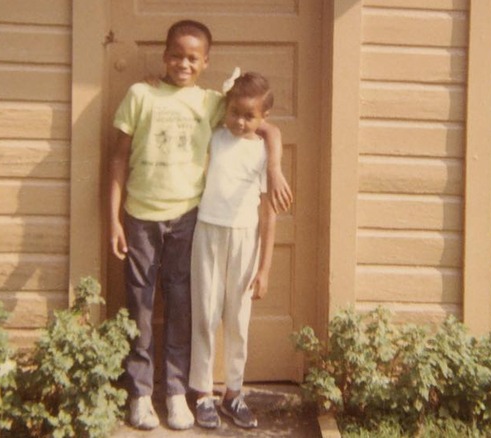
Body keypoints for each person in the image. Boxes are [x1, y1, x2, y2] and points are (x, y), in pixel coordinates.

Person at [109, 20, 290, 431]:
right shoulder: (141, 94)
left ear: (206, 62)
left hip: (188, 218)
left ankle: (177, 392)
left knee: (182, 307)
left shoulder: (214, 104)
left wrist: (276, 167)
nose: (183, 63)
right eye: (175, 55)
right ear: (164, 55)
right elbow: (118, 157)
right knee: (141, 305)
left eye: (193, 58)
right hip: (143, 216)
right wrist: (113, 219)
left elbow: (266, 124)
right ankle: (140, 393)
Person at [188, 71, 278, 430]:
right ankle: (202, 393)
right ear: (226, 108)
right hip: (208, 231)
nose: (240, 122)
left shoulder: (262, 151)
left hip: (245, 238)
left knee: (238, 319)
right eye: (235, 113)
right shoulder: (213, 139)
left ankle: (233, 392)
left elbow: (270, 214)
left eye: (249, 116)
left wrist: (265, 268)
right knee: (205, 315)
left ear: (262, 119)